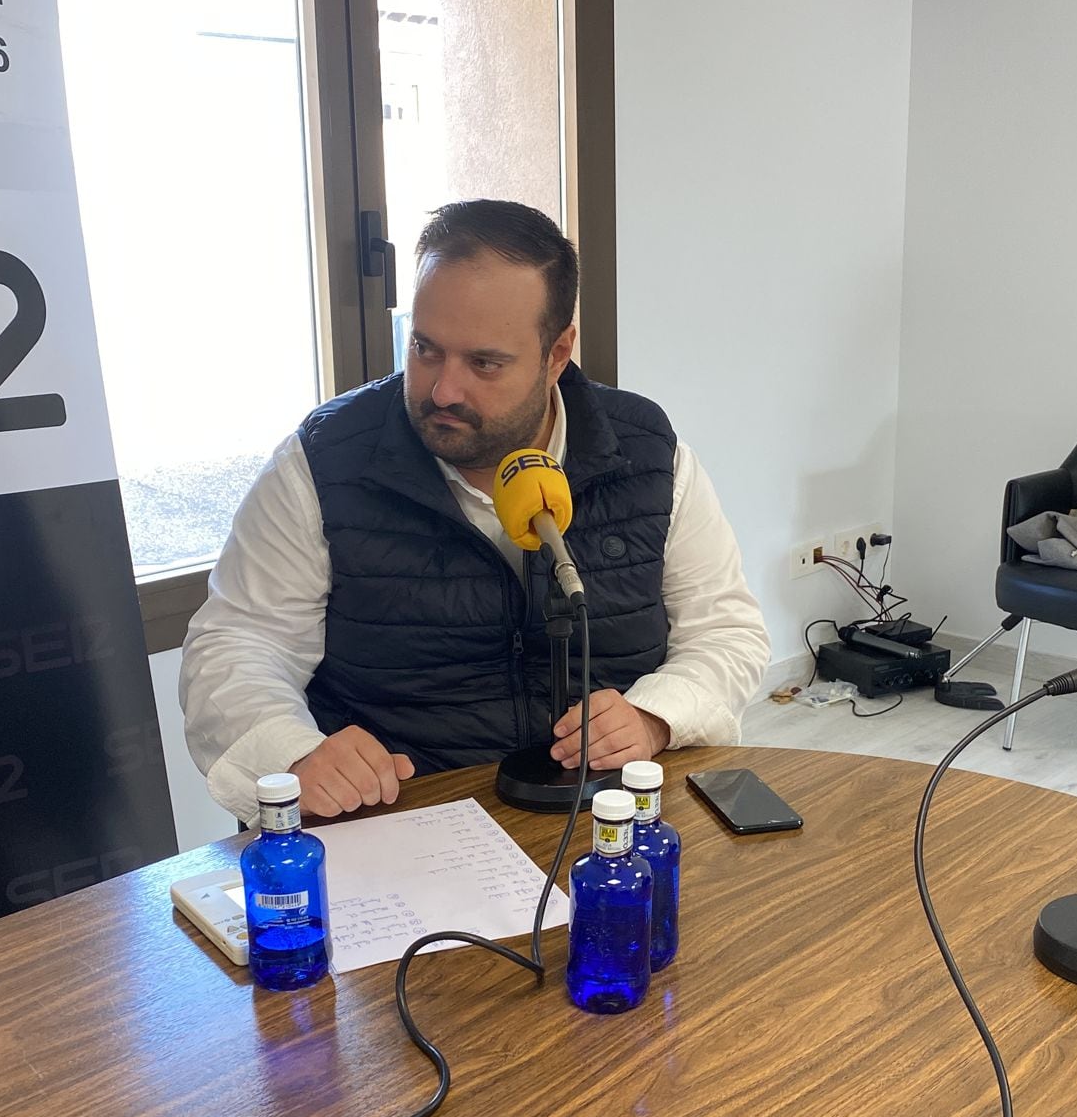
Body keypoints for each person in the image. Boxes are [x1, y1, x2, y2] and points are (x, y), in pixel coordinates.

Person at [181, 200, 768, 824]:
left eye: (484, 362)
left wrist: (657, 714)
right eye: (426, 349)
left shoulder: (649, 452)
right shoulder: (324, 462)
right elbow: (236, 644)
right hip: (403, 825)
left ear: (557, 352)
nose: (443, 390)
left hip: (611, 817)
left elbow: (725, 631)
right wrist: (296, 752)